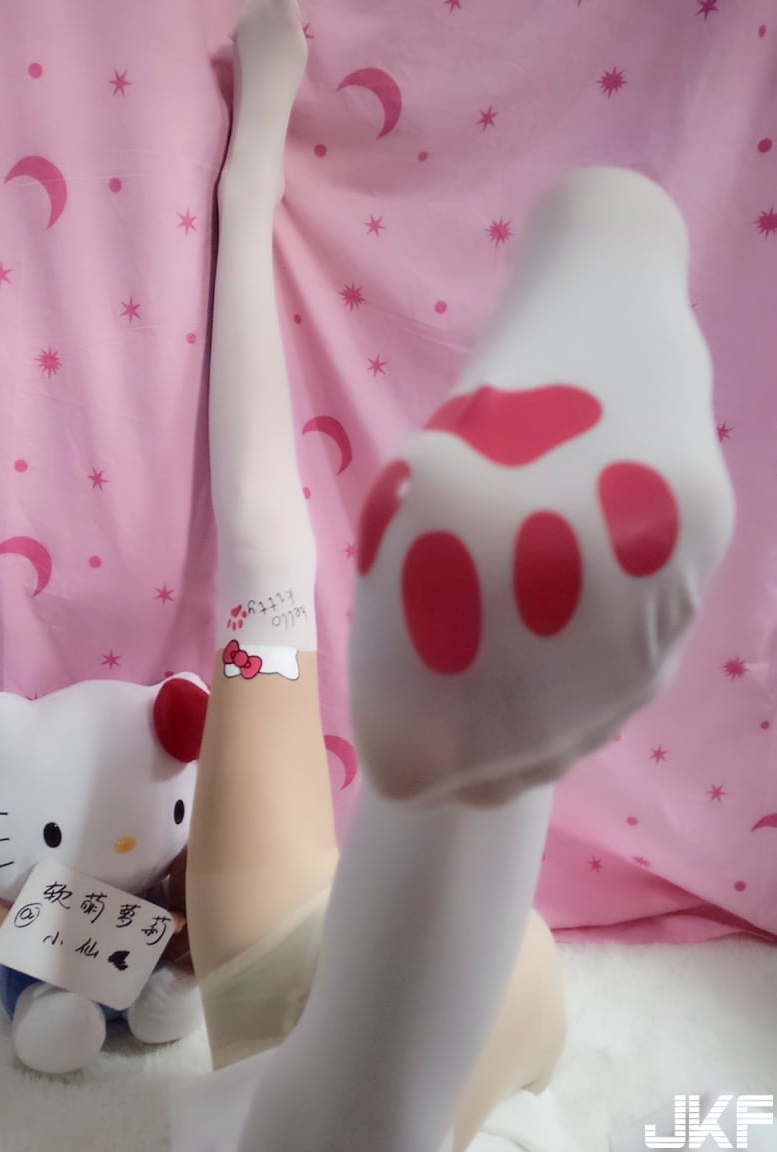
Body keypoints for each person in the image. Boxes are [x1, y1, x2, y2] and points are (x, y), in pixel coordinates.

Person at [184, 2, 735, 1149]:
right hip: (376, 962)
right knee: (263, 575)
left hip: (473, 985)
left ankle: (604, 235)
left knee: (264, 582)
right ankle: (474, 775)